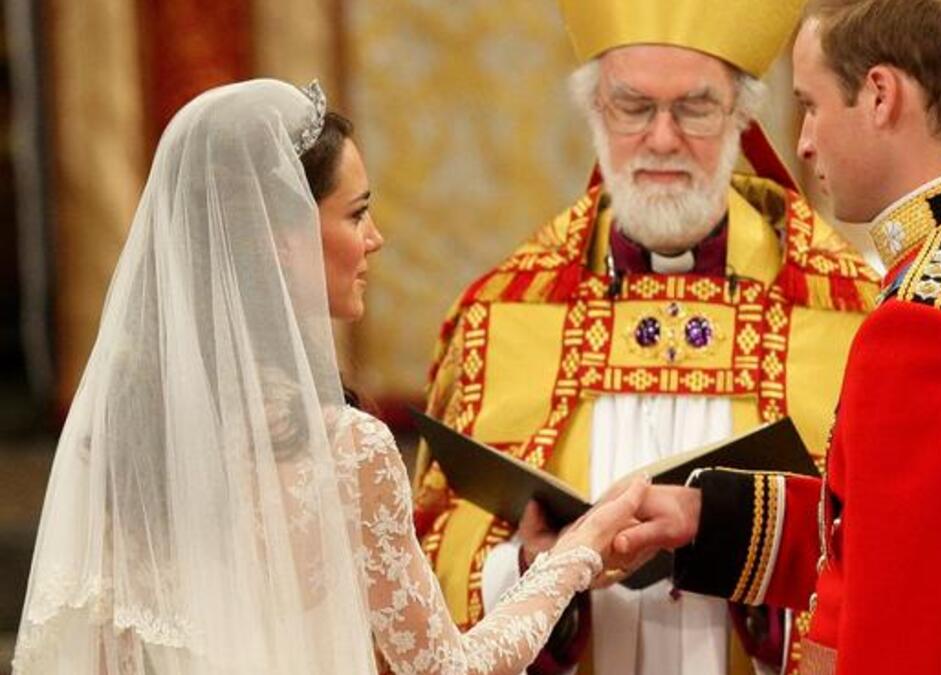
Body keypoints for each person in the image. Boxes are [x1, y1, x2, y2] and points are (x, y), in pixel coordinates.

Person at [12, 78, 646, 675]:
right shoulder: (349, 454)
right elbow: (451, 668)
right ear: (279, 237)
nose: (375, 238)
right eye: (356, 214)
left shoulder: (125, 442)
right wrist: (577, 551)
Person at [613, 1, 941, 673]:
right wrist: (706, 517)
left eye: (812, 104)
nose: (802, 141)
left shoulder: (926, 330)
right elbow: (906, 539)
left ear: (880, 95)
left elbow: (899, 640)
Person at [412, 1, 878, 673]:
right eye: (633, 108)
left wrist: (749, 556)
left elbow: (887, 552)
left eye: (694, 108)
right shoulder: (503, 312)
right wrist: (530, 571)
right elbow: (426, 556)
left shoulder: (844, 314)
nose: (662, 139)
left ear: (740, 117)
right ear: (597, 113)